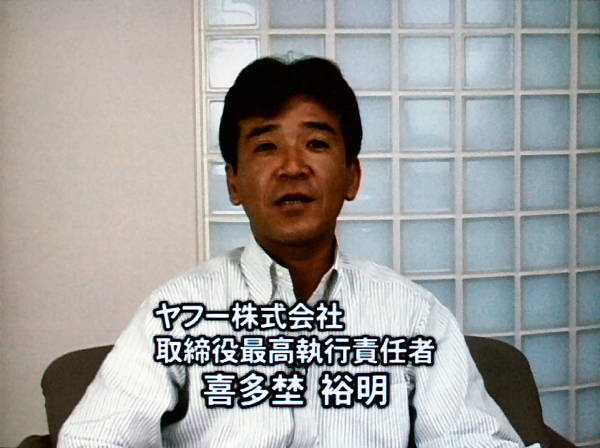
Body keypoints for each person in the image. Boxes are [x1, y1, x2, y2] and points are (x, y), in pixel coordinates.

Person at [58, 57, 532, 448]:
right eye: (266, 146)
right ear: (234, 182)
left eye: (316, 143)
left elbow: (470, 439)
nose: (292, 167)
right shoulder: (176, 313)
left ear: (352, 176)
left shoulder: (414, 316)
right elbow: (94, 439)